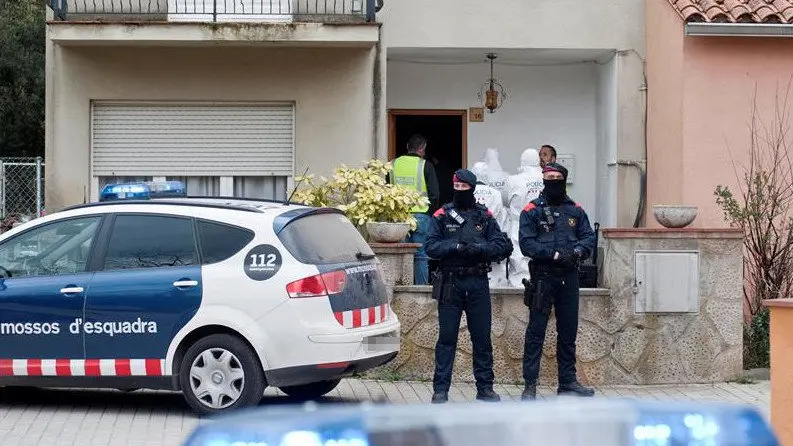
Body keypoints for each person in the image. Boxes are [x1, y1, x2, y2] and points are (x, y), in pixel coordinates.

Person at [424, 169, 512, 404]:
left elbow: (500, 245)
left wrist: (479, 249)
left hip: (477, 282)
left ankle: (485, 388)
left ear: (473, 189)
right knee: (447, 338)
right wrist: (456, 248)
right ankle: (440, 390)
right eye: (457, 187)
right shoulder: (442, 215)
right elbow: (430, 247)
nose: (460, 191)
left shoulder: (484, 215)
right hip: (450, 282)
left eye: (465, 188)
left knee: (482, 338)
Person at [518, 162, 596, 400]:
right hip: (543, 277)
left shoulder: (576, 210)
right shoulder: (532, 210)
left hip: (569, 277)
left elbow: (589, 238)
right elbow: (526, 243)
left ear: (564, 179)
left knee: (568, 330)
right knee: (536, 332)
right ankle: (530, 385)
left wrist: (577, 253)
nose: (552, 180)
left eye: (556, 177)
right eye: (548, 176)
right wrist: (553, 255)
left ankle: (568, 382)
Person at [388, 134, 440, 285]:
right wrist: (432, 212)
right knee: (421, 255)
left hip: (398, 216)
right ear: (422, 150)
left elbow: (385, 189)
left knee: (400, 254)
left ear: (407, 148)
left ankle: (400, 286)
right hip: (421, 215)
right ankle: (420, 289)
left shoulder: (392, 164)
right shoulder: (425, 165)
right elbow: (434, 194)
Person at [505, 149, 544, 287]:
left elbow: (505, 201)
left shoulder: (513, 180)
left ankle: (519, 288)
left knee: (518, 257)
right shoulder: (545, 178)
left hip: (519, 223)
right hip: (543, 224)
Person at [470, 161, 510, 287]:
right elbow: (500, 217)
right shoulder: (496, 193)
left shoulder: (468, 192)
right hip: (491, 237)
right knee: (494, 274)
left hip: (471, 237)